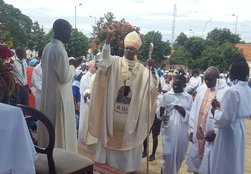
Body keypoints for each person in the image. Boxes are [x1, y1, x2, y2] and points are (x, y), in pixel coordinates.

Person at [88, 29, 158, 173]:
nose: (128, 51)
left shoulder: (142, 69)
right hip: (112, 112)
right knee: (110, 132)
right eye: (126, 48)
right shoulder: (115, 62)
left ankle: (126, 168)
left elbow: (152, 86)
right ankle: (106, 166)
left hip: (130, 114)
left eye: (131, 49)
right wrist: (107, 42)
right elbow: (103, 63)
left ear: (135, 51)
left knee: (128, 138)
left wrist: (151, 69)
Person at [37, 19, 83, 152]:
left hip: (49, 97)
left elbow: (53, 70)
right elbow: (64, 77)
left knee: (50, 126)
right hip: (59, 98)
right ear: (63, 32)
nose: (70, 35)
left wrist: (70, 63)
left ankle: (47, 152)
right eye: (69, 31)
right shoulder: (59, 50)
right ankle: (61, 157)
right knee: (59, 129)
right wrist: (74, 66)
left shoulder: (48, 47)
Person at [210, 58, 251, 174]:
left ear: (235, 73)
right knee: (236, 159)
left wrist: (215, 111)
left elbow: (225, 118)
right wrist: (220, 107)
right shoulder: (249, 91)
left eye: (230, 70)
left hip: (229, 130)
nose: (228, 73)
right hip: (240, 128)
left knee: (225, 160)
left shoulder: (232, 91)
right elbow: (236, 110)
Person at [186, 66, 228, 174]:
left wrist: (215, 131)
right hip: (198, 133)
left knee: (210, 166)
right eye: (206, 79)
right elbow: (195, 109)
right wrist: (191, 130)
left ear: (218, 78)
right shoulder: (202, 88)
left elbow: (226, 118)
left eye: (210, 79)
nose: (207, 82)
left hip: (212, 137)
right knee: (197, 165)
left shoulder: (226, 92)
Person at [159, 75, 193, 174]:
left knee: (179, 156)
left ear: (184, 85)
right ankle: (164, 171)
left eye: (178, 85)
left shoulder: (188, 98)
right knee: (168, 154)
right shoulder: (167, 96)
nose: (175, 87)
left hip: (182, 131)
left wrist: (184, 112)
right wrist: (161, 112)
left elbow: (192, 116)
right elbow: (161, 116)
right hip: (168, 130)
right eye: (174, 85)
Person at [78, 60, 97, 145]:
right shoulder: (85, 77)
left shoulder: (95, 76)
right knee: (83, 122)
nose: (96, 68)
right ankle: (82, 142)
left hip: (93, 105)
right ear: (90, 67)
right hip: (86, 104)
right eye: (94, 67)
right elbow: (83, 92)